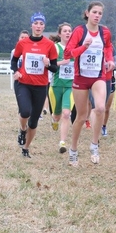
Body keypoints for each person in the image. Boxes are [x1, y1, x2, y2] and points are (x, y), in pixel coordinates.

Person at [64, 1, 115, 166]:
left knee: (100, 108)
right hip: (80, 78)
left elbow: (108, 47)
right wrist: (83, 48)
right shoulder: (80, 31)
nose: (97, 16)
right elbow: (68, 53)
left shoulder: (105, 32)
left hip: (98, 76)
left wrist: (109, 60)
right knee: (81, 116)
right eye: (94, 12)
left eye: (100, 13)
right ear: (87, 13)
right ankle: (73, 150)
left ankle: (94, 145)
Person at [11, 12, 58, 158]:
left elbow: (55, 68)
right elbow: (14, 61)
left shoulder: (49, 45)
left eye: (41, 24)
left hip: (40, 86)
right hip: (23, 83)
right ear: (31, 25)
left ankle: (25, 148)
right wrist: (16, 71)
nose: (38, 26)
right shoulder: (22, 43)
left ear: (44, 26)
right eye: (36, 23)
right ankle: (22, 129)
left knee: (34, 122)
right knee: (25, 112)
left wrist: (48, 64)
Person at [48, 22, 74, 153]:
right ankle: (53, 120)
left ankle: (62, 142)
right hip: (56, 86)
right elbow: (49, 64)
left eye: (70, 31)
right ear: (60, 34)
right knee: (57, 115)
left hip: (71, 86)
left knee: (66, 114)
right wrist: (62, 62)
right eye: (65, 31)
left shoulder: (76, 48)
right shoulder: (55, 47)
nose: (68, 33)